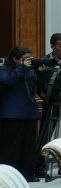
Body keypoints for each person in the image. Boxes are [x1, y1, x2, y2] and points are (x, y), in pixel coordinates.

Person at [0, 47, 42, 180]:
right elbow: (7, 81)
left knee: (28, 146)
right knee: (11, 148)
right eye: (25, 59)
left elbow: (36, 87)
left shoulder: (30, 70)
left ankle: (27, 175)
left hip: (29, 113)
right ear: (15, 59)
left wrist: (41, 72)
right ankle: (8, 176)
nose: (28, 61)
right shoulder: (4, 69)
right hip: (12, 115)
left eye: (30, 58)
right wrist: (22, 68)